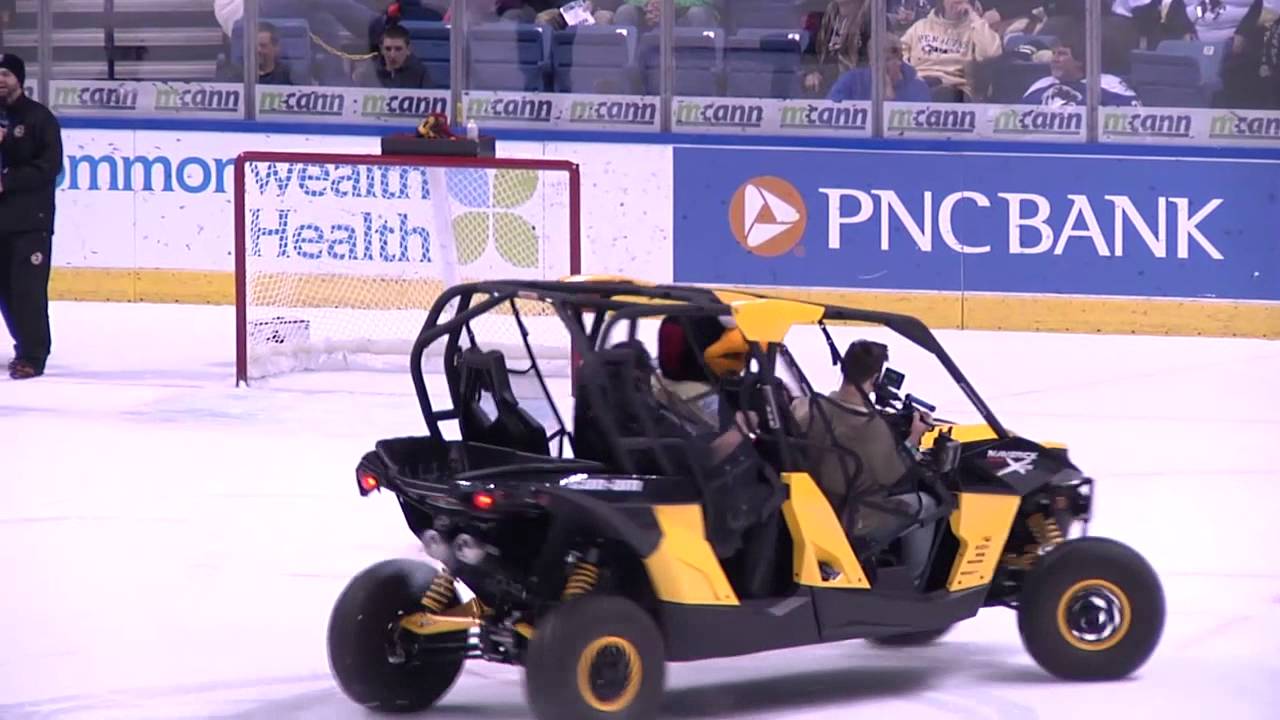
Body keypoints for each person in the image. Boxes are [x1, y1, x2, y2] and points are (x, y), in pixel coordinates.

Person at [791, 340, 938, 584]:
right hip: (851, 515)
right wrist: (914, 437)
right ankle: (914, 581)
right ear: (876, 378)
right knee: (929, 504)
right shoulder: (870, 427)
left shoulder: (805, 406)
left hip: (813, 504)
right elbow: (892, 474)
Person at [0, 53, 63, 380]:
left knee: (27, 290)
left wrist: (6, 180)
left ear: (20, 80)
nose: (0, 79)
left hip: (30, 222)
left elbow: (50, 167)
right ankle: (22, 344)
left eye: (6, 73)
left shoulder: (40, 119)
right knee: (7, 293)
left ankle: (33, 355)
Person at [1022, 33, 1141, 107]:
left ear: (1080, 60)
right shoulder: (1041, 85)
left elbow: (1134, 123)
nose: (1054, 59)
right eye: (1054, 54)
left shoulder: (1110, 86)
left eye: (1062, 54)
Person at [355, 23, 433, 88]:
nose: (392, 55)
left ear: (408, 49)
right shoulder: (370, 73)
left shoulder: (420, 73)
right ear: (381, 49)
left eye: (398, 49)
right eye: (388, 49)